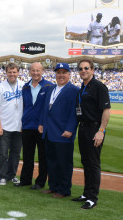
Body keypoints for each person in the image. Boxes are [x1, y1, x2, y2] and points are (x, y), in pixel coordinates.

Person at [72, 59, 111, 209]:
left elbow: (106, 110)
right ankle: (86, 193)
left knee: (93, 164)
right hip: (83, 128)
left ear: (92, 70)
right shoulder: (83, 87)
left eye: (86, 68)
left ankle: (92, 198)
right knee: (86, 162)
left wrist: (101, 131)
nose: (83, 71)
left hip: (95, 129)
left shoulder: (99, 87)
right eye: (81, 69)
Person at [38, 63, 79, 198]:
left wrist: (70, 129)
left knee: (64, 163)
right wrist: (41, 123)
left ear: (69, 74)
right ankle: (53, 186)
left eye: (64, 72)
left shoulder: (74, 90)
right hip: (49, 131)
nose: (61, 75)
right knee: (51, 161)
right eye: (58, 72)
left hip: (63, 133)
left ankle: (64, 190)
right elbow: (45, 109)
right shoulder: (51, 89)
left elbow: (75, 113)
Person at [14, 62, 53, 189]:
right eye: (33, 70)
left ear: (42, 71)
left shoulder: (49, 86)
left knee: (43, 156)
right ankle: (25, 179)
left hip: (42, 127)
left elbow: (49, 108)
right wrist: (21, 123)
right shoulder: (25, 87)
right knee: (27, 155)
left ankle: (40, 182)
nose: (35, 73)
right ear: (29, 71)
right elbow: (23, 107)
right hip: (27, 126)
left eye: (38, 70)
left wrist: (43, 123)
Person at [0, 62, 24, 186]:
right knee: (3, 153)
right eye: (10, 72)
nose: (12, 74)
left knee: (15, 154)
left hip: (19, 127)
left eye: (14, 72)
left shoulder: (23, 86)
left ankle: (12, 175)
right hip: (4, 126)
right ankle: (3, 176)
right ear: (6, 73)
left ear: (18, 73)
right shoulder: (0, 87)